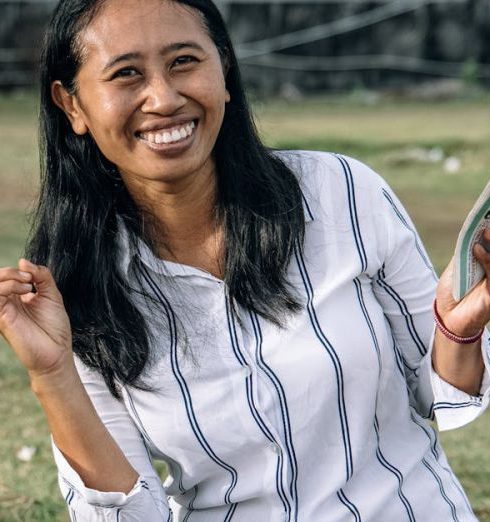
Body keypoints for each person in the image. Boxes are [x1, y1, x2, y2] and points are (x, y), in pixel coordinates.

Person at [0, 0, 489, 520]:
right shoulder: (70, 286)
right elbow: (132, 513)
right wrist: (54, 376)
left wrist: (457, 332)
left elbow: (438, 397)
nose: (163, 98)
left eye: (184, 61)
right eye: (125, 74)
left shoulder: (343, 194)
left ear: (224, 69)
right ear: (71, 104)